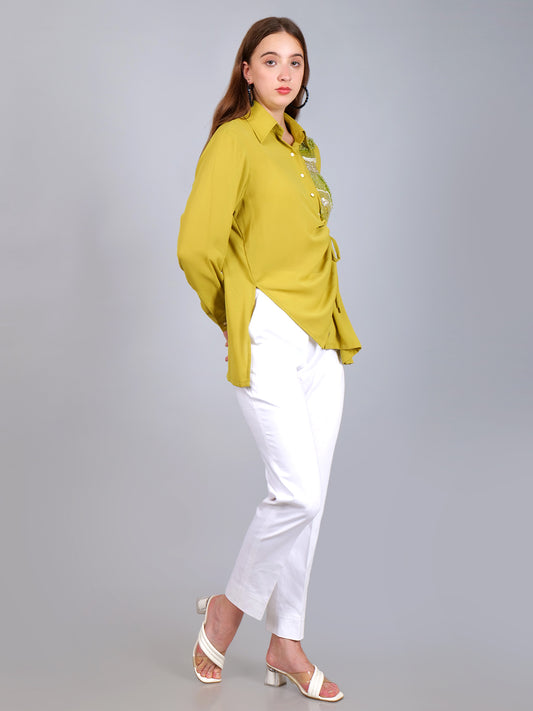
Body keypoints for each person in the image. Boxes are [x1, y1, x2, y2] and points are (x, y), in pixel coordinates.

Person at [177, 16, 361, 703]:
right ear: (246, 71)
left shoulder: (302, 148)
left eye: (295, 62)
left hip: (320, 340)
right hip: (270, 334)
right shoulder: (235, 141)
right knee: (297, 491)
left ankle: (287, 640)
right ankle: (227, 611)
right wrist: (235, 317)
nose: (284, 72)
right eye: (270, 60)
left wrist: (329, 324)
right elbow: (196, 245)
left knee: (311, 502)